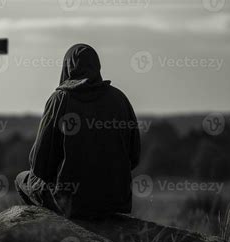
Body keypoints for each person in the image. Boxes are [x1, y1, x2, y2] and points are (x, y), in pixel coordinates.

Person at [15, 44, 140, 218]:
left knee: (22, 179)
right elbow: (134, 157)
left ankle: (52, 231)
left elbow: (38, 166)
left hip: (71, 204)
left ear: (67, 68)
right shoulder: (119, 99)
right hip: (116, 202)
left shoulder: (59, 99)